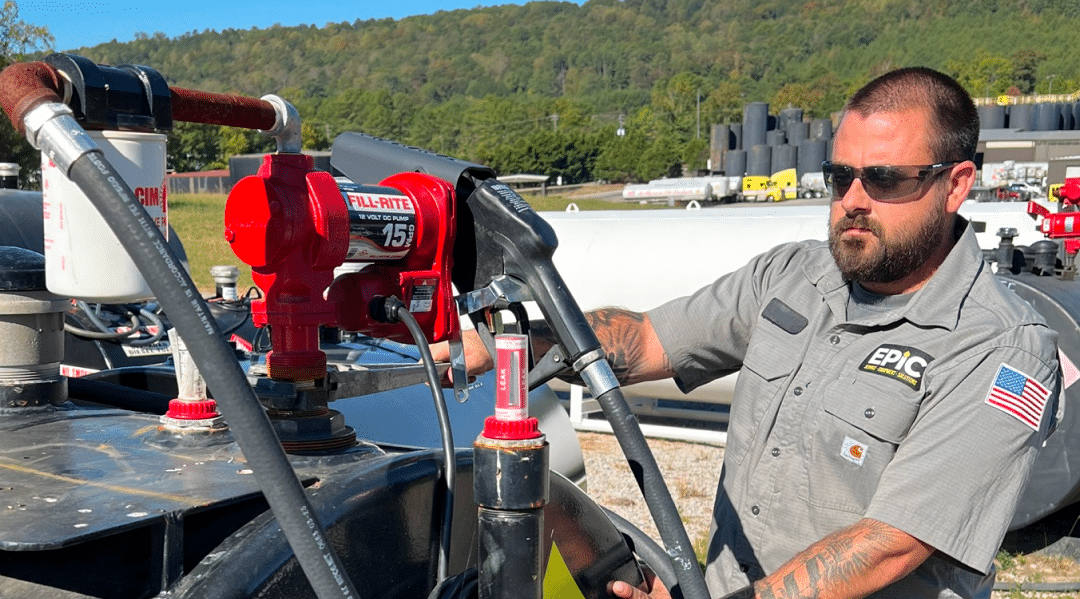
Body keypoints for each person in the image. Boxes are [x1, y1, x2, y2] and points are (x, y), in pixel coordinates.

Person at [437, 67, 1062, 599]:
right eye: (839, 176)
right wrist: (494, 346)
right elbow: (647, 339)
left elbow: (888, 545)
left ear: (955, 184)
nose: (853, 200)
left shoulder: (1000, 348)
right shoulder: (793, 276)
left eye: (886, 180)